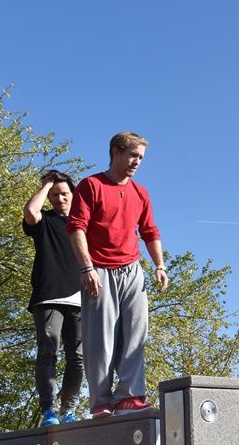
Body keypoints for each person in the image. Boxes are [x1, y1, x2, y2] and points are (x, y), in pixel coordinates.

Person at [67, 132, 168, 418]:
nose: (137, 162)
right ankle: (100, 400)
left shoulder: (140, 192)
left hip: (132, 270)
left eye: (141, 158)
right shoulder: (91, 185)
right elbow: (77, 228)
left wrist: (159, 266)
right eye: (133, 155)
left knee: (136, 333)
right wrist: (86, 267)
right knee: (100, 339)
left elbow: (149, 231)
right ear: (116, 152)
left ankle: (129, 396)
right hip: (98, 269)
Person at [23, 170, 84, 426]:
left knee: (78, 357)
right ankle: (49, 410)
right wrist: (47, 183)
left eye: (65, 194)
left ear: (74, 195)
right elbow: (30, 212)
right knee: (48, 352)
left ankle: (68, 409)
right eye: (55, 195)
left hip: (80, 297)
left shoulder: (83, 225)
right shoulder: (44, 220)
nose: (60, 199)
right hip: (48, 296)